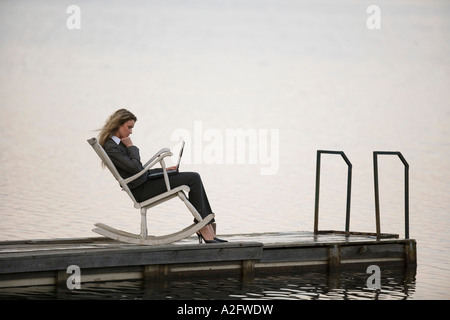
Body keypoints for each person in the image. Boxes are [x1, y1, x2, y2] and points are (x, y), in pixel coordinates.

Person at [98, 109, 226, 244]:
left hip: (143, 182)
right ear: (118, 124)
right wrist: (131, 146)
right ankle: (204, 228)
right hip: (141, 190)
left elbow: (138, 170)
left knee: (194, 177)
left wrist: (163, 171)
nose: (131, 132)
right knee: (193, 178)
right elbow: (136, 168)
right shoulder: (112, 147)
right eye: (129, 127)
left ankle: (205, 226)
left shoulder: (117, 144)